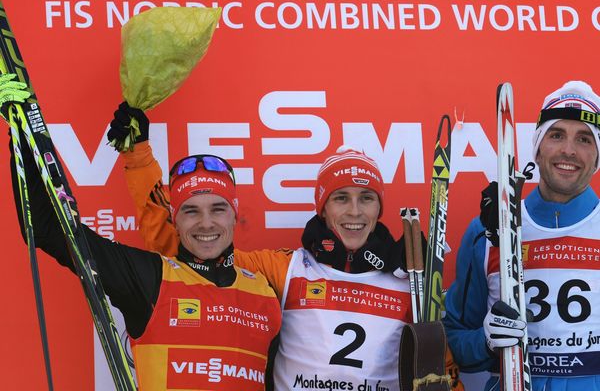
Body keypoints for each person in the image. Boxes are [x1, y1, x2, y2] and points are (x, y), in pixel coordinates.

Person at [108, 102, 464, 390]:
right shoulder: (284, 268)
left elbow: (439, 369)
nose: (354, 211)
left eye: (366, 198)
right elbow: (185, 252)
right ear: (322, 207)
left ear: (379, 208)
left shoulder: (411, 280)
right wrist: (138, 159)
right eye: (341, 198)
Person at [1, 74, 282, 391]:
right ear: (174, 219)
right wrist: (22, 134)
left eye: (218, 209)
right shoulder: (151, 278)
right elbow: (49, 228)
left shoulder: (267, 293)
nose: (206, 223)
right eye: (191, 210)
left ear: (234, 215)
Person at [443, 80, 600, 391]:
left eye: (584, 139)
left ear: (597, 158)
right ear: (537, 149)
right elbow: (455, 340)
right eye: (556, 135)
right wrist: (486, 342)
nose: (568, 150)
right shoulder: (489, 232)